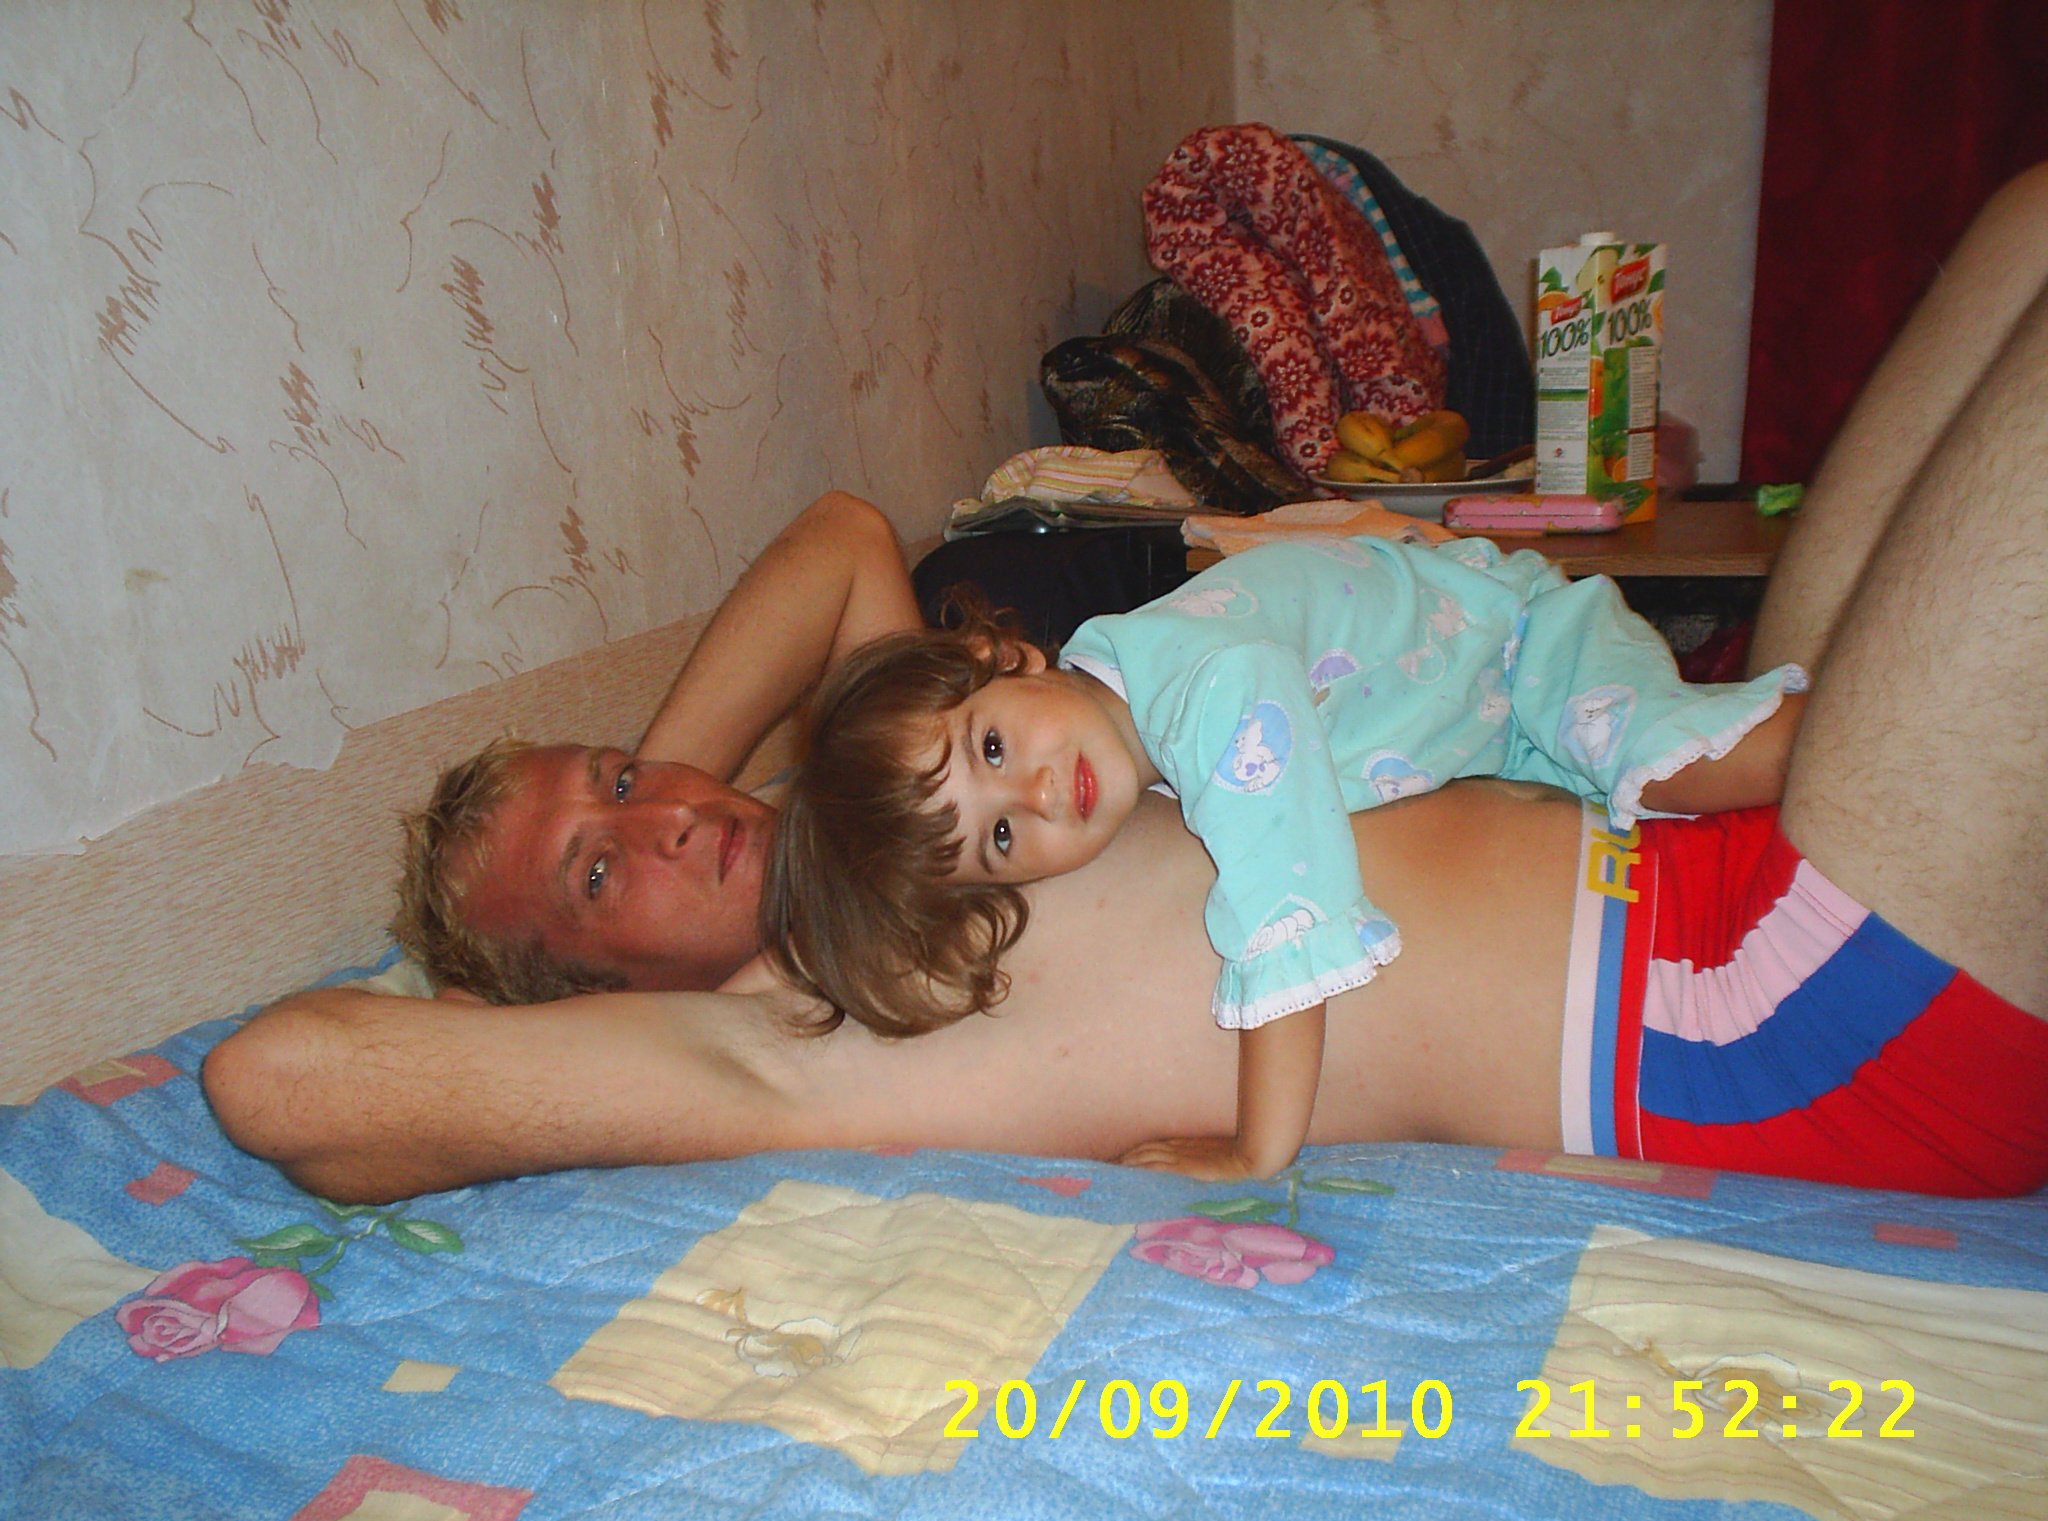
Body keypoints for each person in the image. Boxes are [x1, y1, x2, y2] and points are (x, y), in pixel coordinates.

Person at [203, 163, 2048, 1207]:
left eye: (624, 780)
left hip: (1695, 839)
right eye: (603, 872)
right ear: (577, 999)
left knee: (2021, 224)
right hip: (1757, 1008)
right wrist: (584, 986)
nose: (672, 813)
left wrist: (670, 808)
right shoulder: (802, 1035)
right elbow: (286, 1081)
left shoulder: (904, 818)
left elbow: (841, 541)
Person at [761, 535, 1804, 1182]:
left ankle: (1864, 740)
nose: (1034, 794)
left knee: (1670, 761)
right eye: (1000, 839)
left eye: (990, 748)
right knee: (1647, 802)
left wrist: (1255, 1148)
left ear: (1003, 658)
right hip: (1479, 719)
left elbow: (1287, 917)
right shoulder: (1130, 711)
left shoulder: (1209, 697)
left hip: (1527, 647)